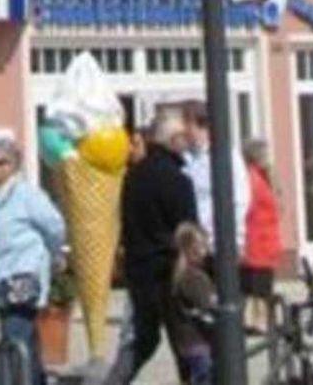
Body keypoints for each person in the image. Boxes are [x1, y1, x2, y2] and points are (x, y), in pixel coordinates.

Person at [105, 108, 197, 385]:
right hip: (171, 272)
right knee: (188, 345)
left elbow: (125, 223)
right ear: (174, 139)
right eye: (184, 136)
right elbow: (188, 231)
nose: (187, 141)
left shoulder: (132, 177)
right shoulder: (178, 180)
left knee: (142, 340)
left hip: (139, 271)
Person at [0, 133, 66, 385]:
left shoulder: (27, 195)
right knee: (26, 343)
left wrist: (53, 254)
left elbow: (55, 226)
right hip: (0, 281)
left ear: (12, 166)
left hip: (24, 278)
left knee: (13, 340)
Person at [179, 102, 248, 253]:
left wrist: (214, 232)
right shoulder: (185, 157)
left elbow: (239, 200)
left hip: (218, 242)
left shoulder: (226, 156)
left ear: (201, 126)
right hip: (192, 244)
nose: (183, 132)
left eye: (187, 125)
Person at [164, 223, 216, 385]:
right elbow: (208, 306)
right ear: (191, 249)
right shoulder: (194, 277)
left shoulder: (180, 274)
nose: (206, 250)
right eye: (202, 245)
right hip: (199, 343)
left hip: (187, 344)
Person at [238, 139, 283, 324]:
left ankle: (261, 320)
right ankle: (257, 321)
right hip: (257, 241)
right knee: (257, 285)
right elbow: (247, 207)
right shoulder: (251, 178)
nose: (268, 158)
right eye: (265, 154)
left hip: (266, 240)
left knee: (263, 284)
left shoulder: (264, 176)